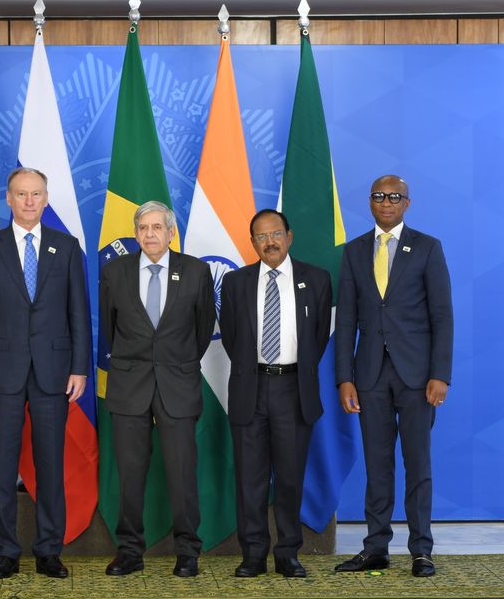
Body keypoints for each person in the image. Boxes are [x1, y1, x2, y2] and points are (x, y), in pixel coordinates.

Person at [0, 167, 91, 580]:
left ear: (46, 198)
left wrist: (79, 368)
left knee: (51, 465)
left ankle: (49, 551)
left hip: (54, 373)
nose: (29, 201)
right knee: (2, 467)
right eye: (21, 194)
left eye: (36, 194)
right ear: (8, 198)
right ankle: (5, 552)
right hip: (0, 375)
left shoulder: (66, 247)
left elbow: (78, 312)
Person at [333, 175, 453, 578]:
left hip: (418, 377)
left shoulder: (427, 247)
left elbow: (442, 315)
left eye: (395, 197)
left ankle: (421, 550)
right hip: (369, 375)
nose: (386, 202)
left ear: (407, 203)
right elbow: (346, 318)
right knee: (377, 464)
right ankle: (376, 548)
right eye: (379, 196)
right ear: (370, 202)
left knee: (418, 465)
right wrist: (344, 378)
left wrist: (440, 374)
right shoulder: (354, 251)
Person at [99, 201, 216, 578]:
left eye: (157, 227)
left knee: (182, 473)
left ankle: (188, 551)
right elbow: (109, 329)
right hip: (128, 385)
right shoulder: (114, 271)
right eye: (143, 228)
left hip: (177, 384)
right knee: (130, 474)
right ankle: (130, 551)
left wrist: (174, 362)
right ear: (136, 233)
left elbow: (202, 329)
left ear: (171, 232)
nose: (149, 234)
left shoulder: (196, 271)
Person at [218, 209, 331, 579]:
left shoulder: (316, 279)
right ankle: (252, 554)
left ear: (289, 236)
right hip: (250, 388)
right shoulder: (235, 282)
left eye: (276, 234)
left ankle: (288, 553)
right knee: (249, 479)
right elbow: (233, 338)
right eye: (262, 236)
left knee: (290, 477)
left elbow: (318, 338)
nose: (270, 242)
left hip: (294, 389)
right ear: (253, 243)